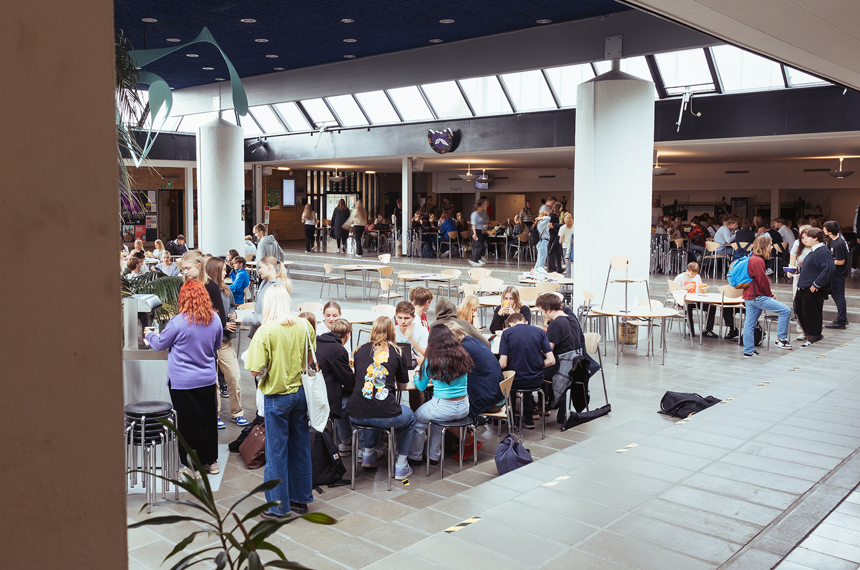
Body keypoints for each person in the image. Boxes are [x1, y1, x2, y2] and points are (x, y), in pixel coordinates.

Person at [245, 284, 315, 518]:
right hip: (301, 394)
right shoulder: (304, 325)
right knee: (301, 447)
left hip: (276, 397)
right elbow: (309, 357)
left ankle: (277, 507)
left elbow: (254, 370)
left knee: (276, 452)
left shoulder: (266, 331)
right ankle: (300, 499)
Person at [145, 280, 222, 476]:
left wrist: (150, 335)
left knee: (187, 424)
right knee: (207, 421)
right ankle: (210, 462)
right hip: (206, 379)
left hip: (182, 382)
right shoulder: (215, 319)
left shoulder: (178, 322)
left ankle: (189, 467)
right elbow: (216, 345)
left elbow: (160, 344)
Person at [344, 316, 415, 480]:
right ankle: (401, 465)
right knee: (410, 417)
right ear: (392, 330)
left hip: (356, 414)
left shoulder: (359, 350)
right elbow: (403, 386)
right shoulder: (397, 351)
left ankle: (368, 454)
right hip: (385, 415)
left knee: (370, 404)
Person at [407, 325, 472, 467]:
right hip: (463, 406)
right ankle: (433, 456)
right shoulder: (462, 355)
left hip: (442, 406)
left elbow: (421, 387)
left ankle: (415, 456)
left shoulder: (431, 361)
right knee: (436, 423)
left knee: (418, 419)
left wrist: (420, 369)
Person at [535, 292, 595, 421]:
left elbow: (548, 351)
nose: (543, 315)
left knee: (528, 368)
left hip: (559, 369)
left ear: (549, 310)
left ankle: (531, 408)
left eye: (543, 312)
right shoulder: (571, 319)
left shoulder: (555, 324)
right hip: (574, 366)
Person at [204, 257, 247, 427]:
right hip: (208, 344)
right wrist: (222, 325)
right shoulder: (204, 292)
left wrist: (233, 314)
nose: (226, 273)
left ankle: (237, 412)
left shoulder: (227, 290)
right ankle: (215, 415)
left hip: (225, 343)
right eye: (223, 270)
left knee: (234, 376)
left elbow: (231, 307)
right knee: (212, 382)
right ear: (214, 271)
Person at [498, 312, 555, 429]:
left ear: (510, 323)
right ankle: (529, 419)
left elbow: (503, 364)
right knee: (526, 377)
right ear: (525, 321)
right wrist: (537, 366)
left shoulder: (507, 333)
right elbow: (551, 360)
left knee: (510, 379)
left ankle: (511, 419)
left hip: (516, 380)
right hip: (536, 380)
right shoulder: (539, 331)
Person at [444, 321, 504, 429]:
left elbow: (449, 373)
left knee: (449, 407)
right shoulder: (473, 341)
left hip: (489, 399)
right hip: (497, 393)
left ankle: (463, 437)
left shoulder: (462, 349)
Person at [742, 235, 793, 358]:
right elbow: (763, 280)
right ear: (764, 246)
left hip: (749, 295)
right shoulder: (758, 260)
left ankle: (748, 351)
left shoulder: (751, 257)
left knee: (749, 324)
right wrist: (769, 295)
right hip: (758, 296)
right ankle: (781, 339)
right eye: (770, 244)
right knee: (786, 311)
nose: (772, 247)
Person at [315, 317, 355, 455]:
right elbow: (349, 381)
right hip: (325, 397)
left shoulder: (317, 341)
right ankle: (359, 445)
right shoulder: (338, 349)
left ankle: (346, 441)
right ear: (348, 334)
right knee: (351, 402)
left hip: (312, 392)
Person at [675, 262, 738, 339]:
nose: (693, 276)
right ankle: (691, 329)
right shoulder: (680, 277)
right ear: (688, 270)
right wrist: (685, 287)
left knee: (711, 307)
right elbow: (674, 290)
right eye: (692, 274)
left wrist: (702, 290)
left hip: (696, 299)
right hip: (684, 300)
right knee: (688, 306)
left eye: (695, 274)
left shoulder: (697, 277)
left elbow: (699, 287)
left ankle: (708, 329)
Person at [795, 228, 834, 346]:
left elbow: (829, 268)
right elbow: (813, 268)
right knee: (801, 310)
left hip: (812, 288)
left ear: (815, 238)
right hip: (804, 286)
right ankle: (810, 334)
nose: (805, 239)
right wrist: (798, 269)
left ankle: (814, 337)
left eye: (808, 237)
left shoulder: (823, 251)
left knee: (811, 313)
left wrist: (818, 283)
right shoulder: (813, 251)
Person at [395, 301, 429, 412]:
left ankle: (416, 415)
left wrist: (412, 340)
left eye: (406, 318)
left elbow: (425, 355)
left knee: (416, 388)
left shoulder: (422, 331)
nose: (403, 321)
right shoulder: (393, 330)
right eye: (399, 318)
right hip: (396, 364)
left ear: (414, 317)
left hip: (416, 364)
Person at [247, 255, 291, 339]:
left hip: (267, 333)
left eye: (260, 267)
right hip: (260, 331)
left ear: (268, 267)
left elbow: (275, 315)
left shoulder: (277, 288)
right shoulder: (264, 283)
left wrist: (252, 319)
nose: (258, 270)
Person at [824, 221, 849, 330]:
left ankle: (841, 320)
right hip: (837, 273)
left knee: (838, 296)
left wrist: (827, 262)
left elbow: (840, 261)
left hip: (838, 273)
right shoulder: (838, 239)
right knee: (836, 295)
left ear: (829, 231)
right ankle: (842, 318)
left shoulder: (838, 243)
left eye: (824, 229)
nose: (823, 230)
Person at [789, 225, 812, 340]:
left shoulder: (815, 247)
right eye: (802, 236)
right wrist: (790, 270)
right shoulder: (797, 245)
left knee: (810, 304)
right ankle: (801, 330)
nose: (804, 239)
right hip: (799, 277)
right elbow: (792, 260)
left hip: (811, 278)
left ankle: (811, 329)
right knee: (798, 302)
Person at [469, 199, 489, 266]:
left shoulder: (480, 214)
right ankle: (475, 260)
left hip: (481, 231)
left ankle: (479, 258)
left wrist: (485, 226)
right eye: (481, 206)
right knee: (479, 246)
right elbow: (473, 225)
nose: (482, 208)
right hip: (476, 230)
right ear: (478, 207)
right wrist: (475, 234)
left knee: (482, 245)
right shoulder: (474, 214)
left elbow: (483, 222)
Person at [547, 203, 563, 273]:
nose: (562, 209)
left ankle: (558, 267)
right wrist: (559, 225)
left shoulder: (556, 215)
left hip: (556, 235)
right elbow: (549, 225)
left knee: (557, 252)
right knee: (551, 252)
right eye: (561, 207)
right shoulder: (552, 215)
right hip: (552, 236)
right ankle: (551, 268)